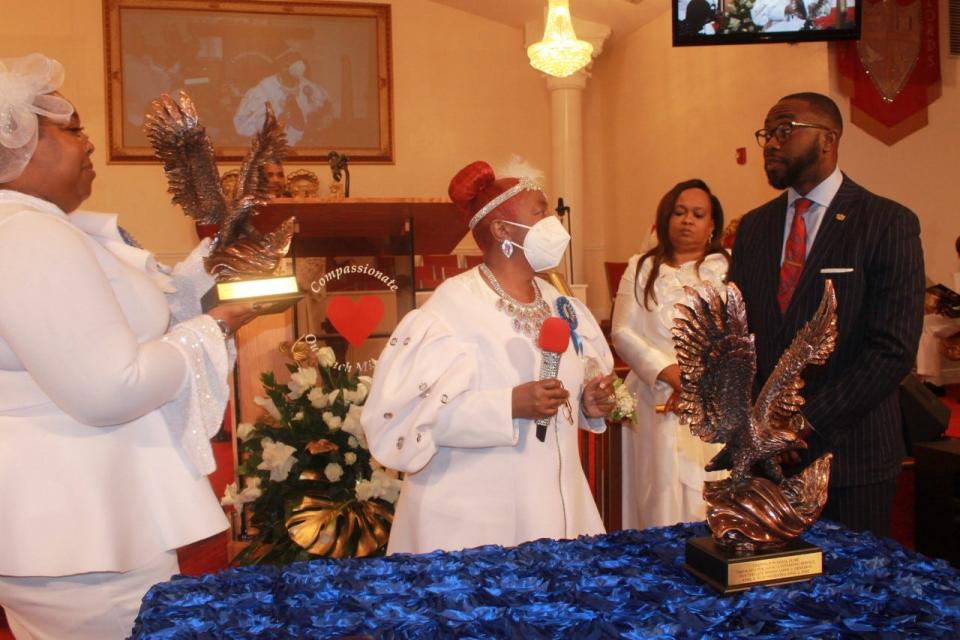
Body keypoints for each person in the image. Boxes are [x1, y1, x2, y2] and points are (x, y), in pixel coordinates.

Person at [0, 54, 259, 639]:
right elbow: (108, 389)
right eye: (70, 129)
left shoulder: (35, 227)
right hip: (79, 524)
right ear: (18, 146)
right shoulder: (27, 234)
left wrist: (202, 275)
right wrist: (211, 330)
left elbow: (119, 326)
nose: (87, 143)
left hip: (76, 518)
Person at [361, 161, 616, 554]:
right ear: (502, 230)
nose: (554, 223)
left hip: (558, 506)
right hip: (473, 519)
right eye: (541, 212)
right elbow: (413, 419)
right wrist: (508, 405)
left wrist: (589, 403)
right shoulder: (450, 308)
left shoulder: (561, 304)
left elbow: (573, 394)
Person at [728, 92, 924, 538]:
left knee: (851, 597)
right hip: (767, 461)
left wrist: (804, 424)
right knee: (776, 599)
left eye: (784, 130)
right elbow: (745, 337)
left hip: (852, 453)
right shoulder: (754, 228)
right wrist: (759, 428)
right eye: (766, 134)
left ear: (828, 139)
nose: (771, 144)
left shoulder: (886, 222)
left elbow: (891, 350)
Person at [611, 179, 729, 530]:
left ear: (711, 226)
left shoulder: (727, 267)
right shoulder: (641, 267)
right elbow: (622, 331)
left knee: (707, 489)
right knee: (656, 490)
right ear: (665, 218)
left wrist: (696, 379)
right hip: (653, 397)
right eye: (679, 212)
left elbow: (739, 331)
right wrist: (667, 371)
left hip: (711, 398)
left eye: (697, 214)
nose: (687, 221)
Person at [232, 50, 331, 146]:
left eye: (297, 61)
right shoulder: (263, 89)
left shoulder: (311, 87)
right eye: (288, 63)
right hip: (270, 149)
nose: (294, 66)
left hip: (303, 147)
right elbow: (242, 125)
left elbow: (325, 109)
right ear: (279, 65)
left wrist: (317, 122)